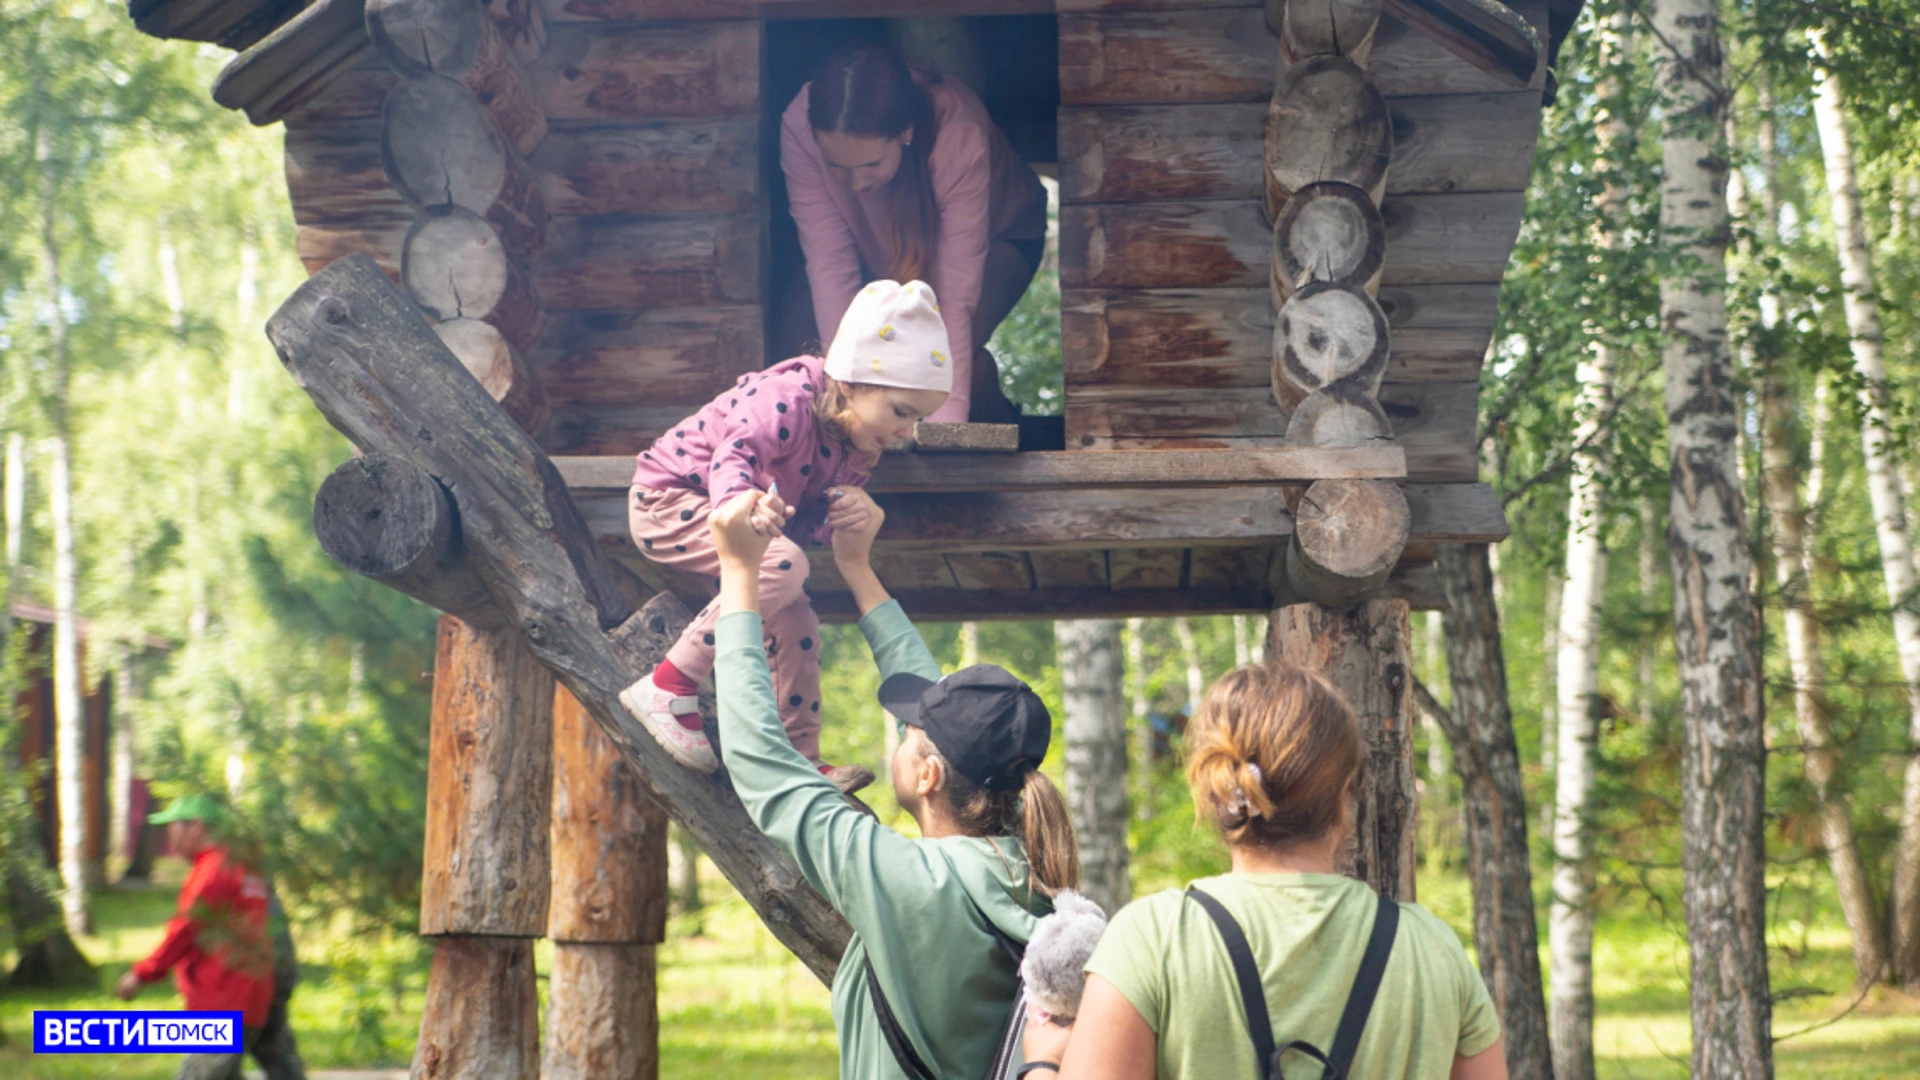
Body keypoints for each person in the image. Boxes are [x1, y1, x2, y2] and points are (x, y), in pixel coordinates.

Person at [704, 478, 1079, 1079]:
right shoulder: (1035, 881)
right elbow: (940, 710)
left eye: (911, 735)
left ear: (928, 775)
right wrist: (858, 568)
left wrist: (738, 571)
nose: (904, 734)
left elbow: (760, 759)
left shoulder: (905, 882)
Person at [1023, 666, 1508, 1080]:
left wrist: (1043, 1063)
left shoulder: (1152, 939)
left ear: (1214, 788)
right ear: (1344, 791)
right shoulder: (1433, 949)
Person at [620, 279, 954, 794]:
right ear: (851, 383)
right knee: (786, 564)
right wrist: (743, 505)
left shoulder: (861, 447)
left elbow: (805, 528)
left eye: (920, 418)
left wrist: (844, 521)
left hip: (748, 535)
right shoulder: (787, 397)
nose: (907, 431)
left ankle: (801, 758)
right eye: (902, 411)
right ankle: (669, 684)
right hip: (669, 501)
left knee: (797, 613)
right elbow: (735, 455)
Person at [780, 45, 1048, 425]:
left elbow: (955, 297)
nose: (856, 185)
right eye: (836, 166)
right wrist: (844, 412)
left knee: (928, 361)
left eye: (871, 163)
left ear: (904, 134)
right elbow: (830, 263)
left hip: (1003, 239)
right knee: (812, 361)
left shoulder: (958, 131)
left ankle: (1003, 424)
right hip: (877, 251)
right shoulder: (798, 126)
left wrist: (946, 433)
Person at [116, 794, 307, 1080]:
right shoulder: (249, 869)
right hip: (254, 994)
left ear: (196, 826)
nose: (171, 839)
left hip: (223, 1000)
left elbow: (186, 929)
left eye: (174, 829)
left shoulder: (213, 870)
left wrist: (142, 974)